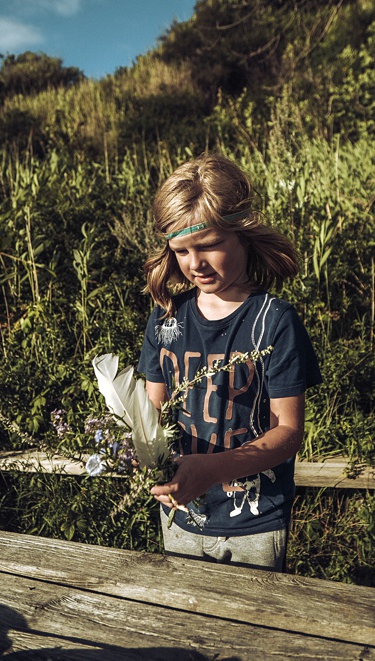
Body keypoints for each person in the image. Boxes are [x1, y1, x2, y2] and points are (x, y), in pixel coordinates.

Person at [136, 153, 321, 571]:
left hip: (256, 522)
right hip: (179, 515)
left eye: (209, 246)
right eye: (181, 251)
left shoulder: (273, 321)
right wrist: (138, 454)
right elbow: (151, 412)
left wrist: (214, 468)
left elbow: (289, 431)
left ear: (243, 234)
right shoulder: (166, 319)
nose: (194, 264)